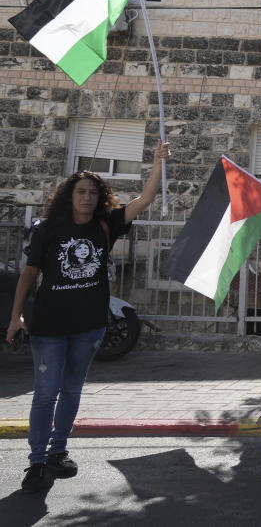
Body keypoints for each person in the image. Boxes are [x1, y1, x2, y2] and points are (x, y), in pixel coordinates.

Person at [6, 142, 170, 495]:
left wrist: (157, 162)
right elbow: (29, 274)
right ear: (70, 195)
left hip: (89, 326)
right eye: (81, 191)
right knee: (45, 393)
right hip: (49, 326)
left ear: (100, 197)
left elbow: (144, 200)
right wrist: (16, 316)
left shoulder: (106, 225)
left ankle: (57, 453)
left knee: (71, 390)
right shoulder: (48, 229)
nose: (87, 197)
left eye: (93, 192)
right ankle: (36, 461)